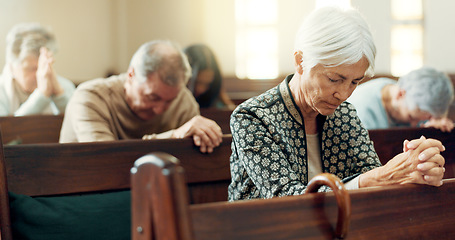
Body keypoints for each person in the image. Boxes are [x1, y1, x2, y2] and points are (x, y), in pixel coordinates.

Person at [228, 6, 445, 201]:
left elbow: (372, 176)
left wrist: (414, 172)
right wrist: (381, 177)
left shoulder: (344, 114)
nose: (343, 94)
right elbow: (286, 200)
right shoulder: (252, 117)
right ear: (300, 62)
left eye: (354, 82)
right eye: (334, 79)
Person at [59, 40, 222, 153]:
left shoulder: (183, 99)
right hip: (81, 193)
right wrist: (173, 136)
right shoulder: (90, 97)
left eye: (169, 101)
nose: (160, 110)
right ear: (131, 74)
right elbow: (106, 161)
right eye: (152, 97)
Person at [0, 23, 75, 116]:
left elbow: (78, 123)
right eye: (32, 69)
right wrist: (42, 95)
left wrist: (59, 95)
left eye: (44, 65)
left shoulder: (65, 87)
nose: (41, 74)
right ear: (11, 67)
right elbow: (7, 128)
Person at [347, 67, 454, 132]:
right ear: (400, 94)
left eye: (421, 120)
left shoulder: (414, 101)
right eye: (411, 118)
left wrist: (431, 129)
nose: (413, 125)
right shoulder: (358, 111)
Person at [184, 44, 236, 110]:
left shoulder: (215, 93)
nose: (201, 89)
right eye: (197, 82)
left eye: (207, 84)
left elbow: (229, 108)